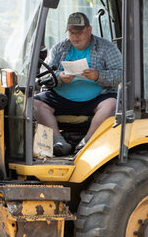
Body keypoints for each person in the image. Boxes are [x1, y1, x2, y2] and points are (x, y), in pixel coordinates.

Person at [34, 12, 121, 156]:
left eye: (79, 32)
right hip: (61, 98)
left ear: (89, 30)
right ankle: (58, 141)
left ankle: (88, 141)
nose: (75, 37)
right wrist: (59, 77)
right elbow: (43, 74)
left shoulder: (107, 48)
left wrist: (98, 75)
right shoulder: (59, 48)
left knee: (111, 104)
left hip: (95, 99)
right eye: (71, 32)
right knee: (34, 103)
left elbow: (120, 74)